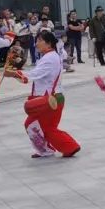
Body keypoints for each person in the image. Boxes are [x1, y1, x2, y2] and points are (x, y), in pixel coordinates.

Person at [13, 30, 80, 159]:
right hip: (50, 98)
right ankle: (49, 149)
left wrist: (15, 73)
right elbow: (37, 73)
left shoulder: (50, 58)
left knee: (41, 127)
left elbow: (35, 74)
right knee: (38, 126)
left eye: (39, 41)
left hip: (50, 99)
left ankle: (69, 146)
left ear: (48, 43)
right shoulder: (49, 56)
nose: (36, 44)